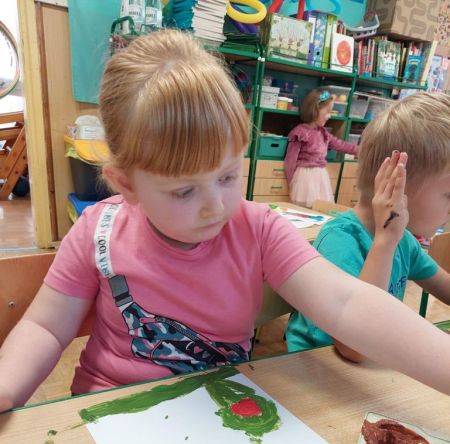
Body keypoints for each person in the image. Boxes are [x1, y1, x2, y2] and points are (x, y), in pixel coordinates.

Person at [1, 32, 450, 411]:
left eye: (229, 175)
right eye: (184, 191)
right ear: (126, 184)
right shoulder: (97, 231)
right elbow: (45, 327)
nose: (215, 206)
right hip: (110, 412)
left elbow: (348, 303)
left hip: (221, 415)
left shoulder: (259, 228)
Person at [286, 92, 450, 361]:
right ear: (396, 184)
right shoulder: (341, 241)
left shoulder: (404, 241)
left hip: (368, 366)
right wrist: (385, 241)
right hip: (317, 369)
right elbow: (355, 348)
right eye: (449, 195)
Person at [284, 88, 358, 208]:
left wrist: (362, 150)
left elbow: (340, 145)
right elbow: (290, 160)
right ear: (315, 110)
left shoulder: (323, 133)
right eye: (328, 112)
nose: (329, 116)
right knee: (305, 209)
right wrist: (291, 182)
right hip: (305, 177)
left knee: (321, 208)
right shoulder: (300, 132)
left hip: (320, 177)